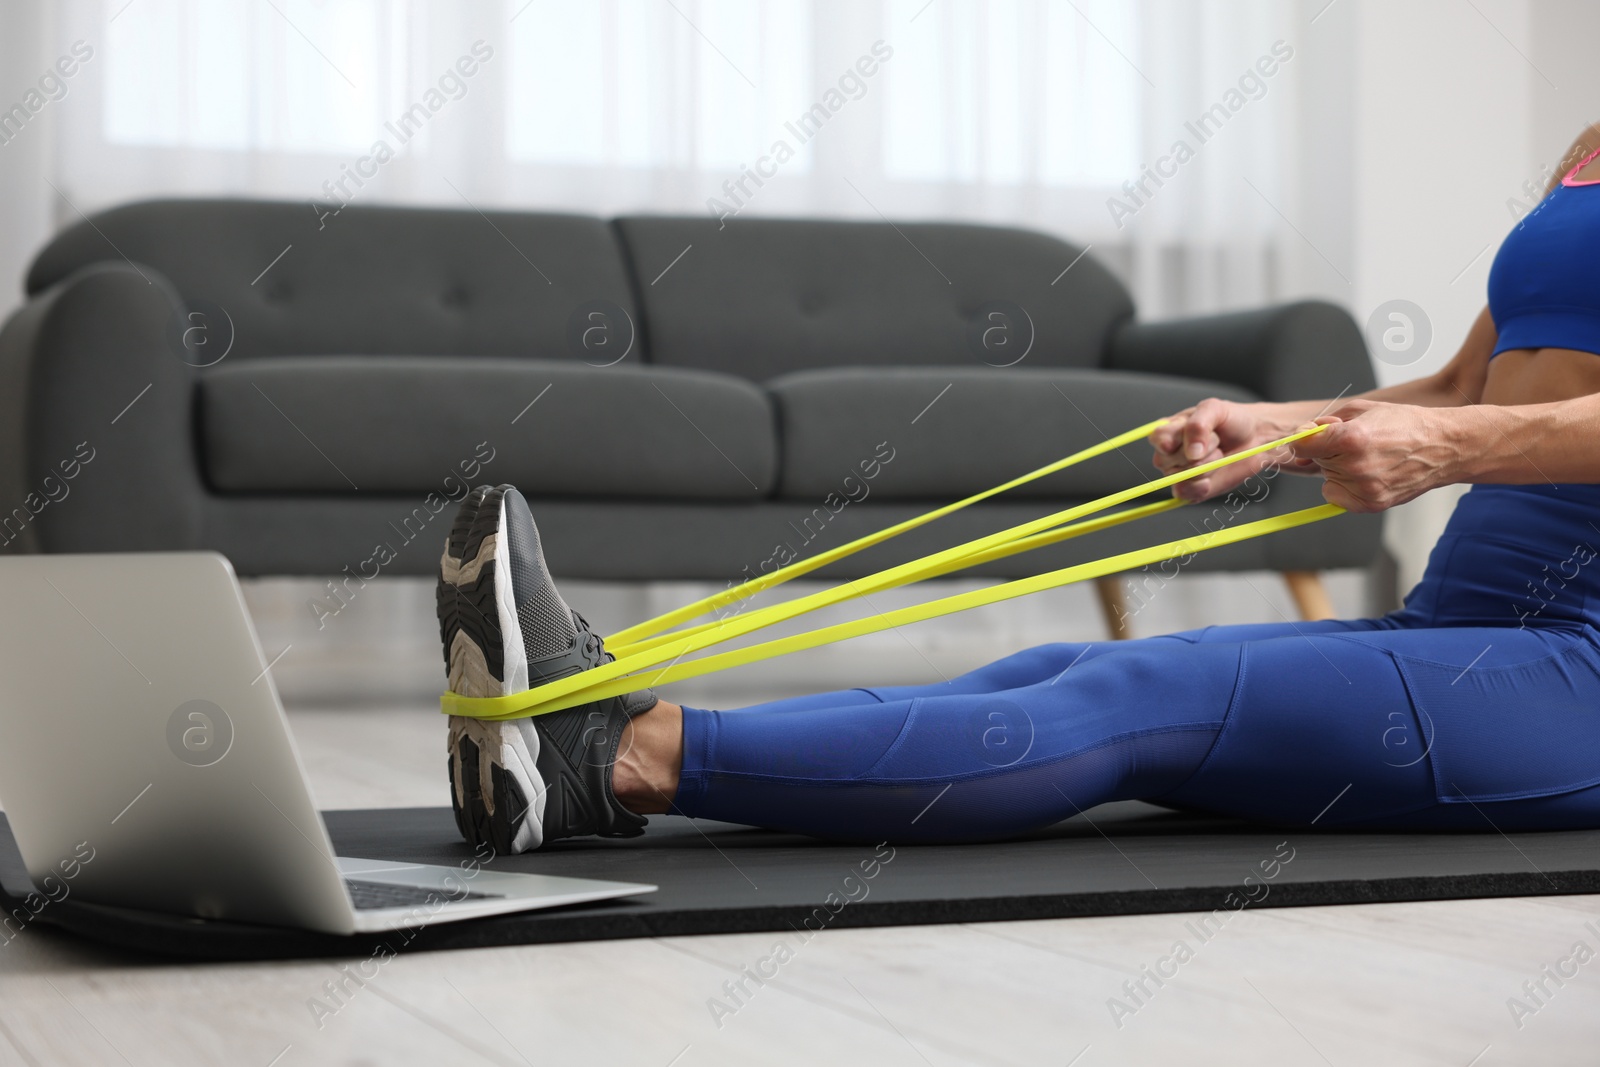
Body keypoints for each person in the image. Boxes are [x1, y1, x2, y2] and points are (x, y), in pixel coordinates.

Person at [439, 125, 1600, 855]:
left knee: (1139, 690)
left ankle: (620, 756)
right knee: (1061, 666)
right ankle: (588, 746)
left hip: (1579, 670)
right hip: (1466, 628)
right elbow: (1461, 380)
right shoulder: (1586, 145)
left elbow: (1460, 427)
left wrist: (1445, 454)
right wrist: (1277, 426)